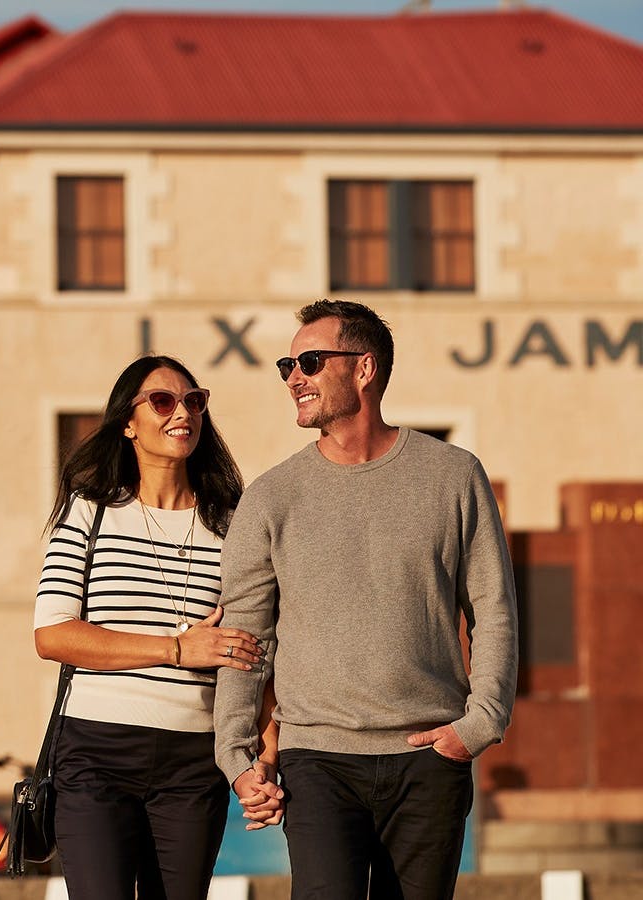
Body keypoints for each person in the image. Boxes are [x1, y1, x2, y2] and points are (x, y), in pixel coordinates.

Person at [213, 300, 518, 900]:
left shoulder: (453, 475)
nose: (293, 377)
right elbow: (246, 639)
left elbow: (494, 609)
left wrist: (481, 722)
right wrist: (238, 755)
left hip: (430, 757)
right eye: (286, 365)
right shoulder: (272, 497)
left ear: (364, 368)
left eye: (309, 361)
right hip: (316, 759)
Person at [34, 354, 274, 900]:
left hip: (194, 761)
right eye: (163, 401)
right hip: (96, 753)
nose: (182, 412)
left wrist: (265, 752)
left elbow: (256, 651)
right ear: (128, 422)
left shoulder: (233, 525)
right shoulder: (90, 511)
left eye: (194, 400)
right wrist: (176, 648)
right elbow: (53, 634)